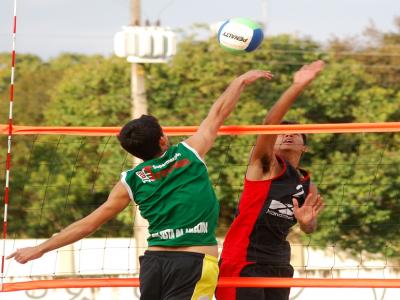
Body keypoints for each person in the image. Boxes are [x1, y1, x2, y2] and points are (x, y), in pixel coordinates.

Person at [7, 69, 273, 300]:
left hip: (154, 263)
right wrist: (240, 81)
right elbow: (218, 113)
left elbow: (88, 224)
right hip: (194, 263)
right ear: (162, 140)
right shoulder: (188, 154)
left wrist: (39, 249)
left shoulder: (130, 181)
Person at [216, 60, 326, 300]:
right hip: (243, 261)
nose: (287, 134)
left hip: (278, 263)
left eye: (295, 133)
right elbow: (269, 124)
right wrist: (297, 86)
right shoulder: (264, 166)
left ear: (304, 147)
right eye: (280, 133)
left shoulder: (308, 185)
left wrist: (307, 223)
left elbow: (309, 228)